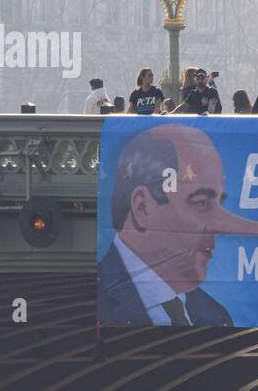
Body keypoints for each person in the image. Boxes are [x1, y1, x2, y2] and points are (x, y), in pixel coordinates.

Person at [98, 126, 242, 326]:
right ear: (142, 208)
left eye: (219, 206)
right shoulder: (94, 300)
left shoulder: (217, 316)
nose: (217, 224)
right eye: (201, 203)